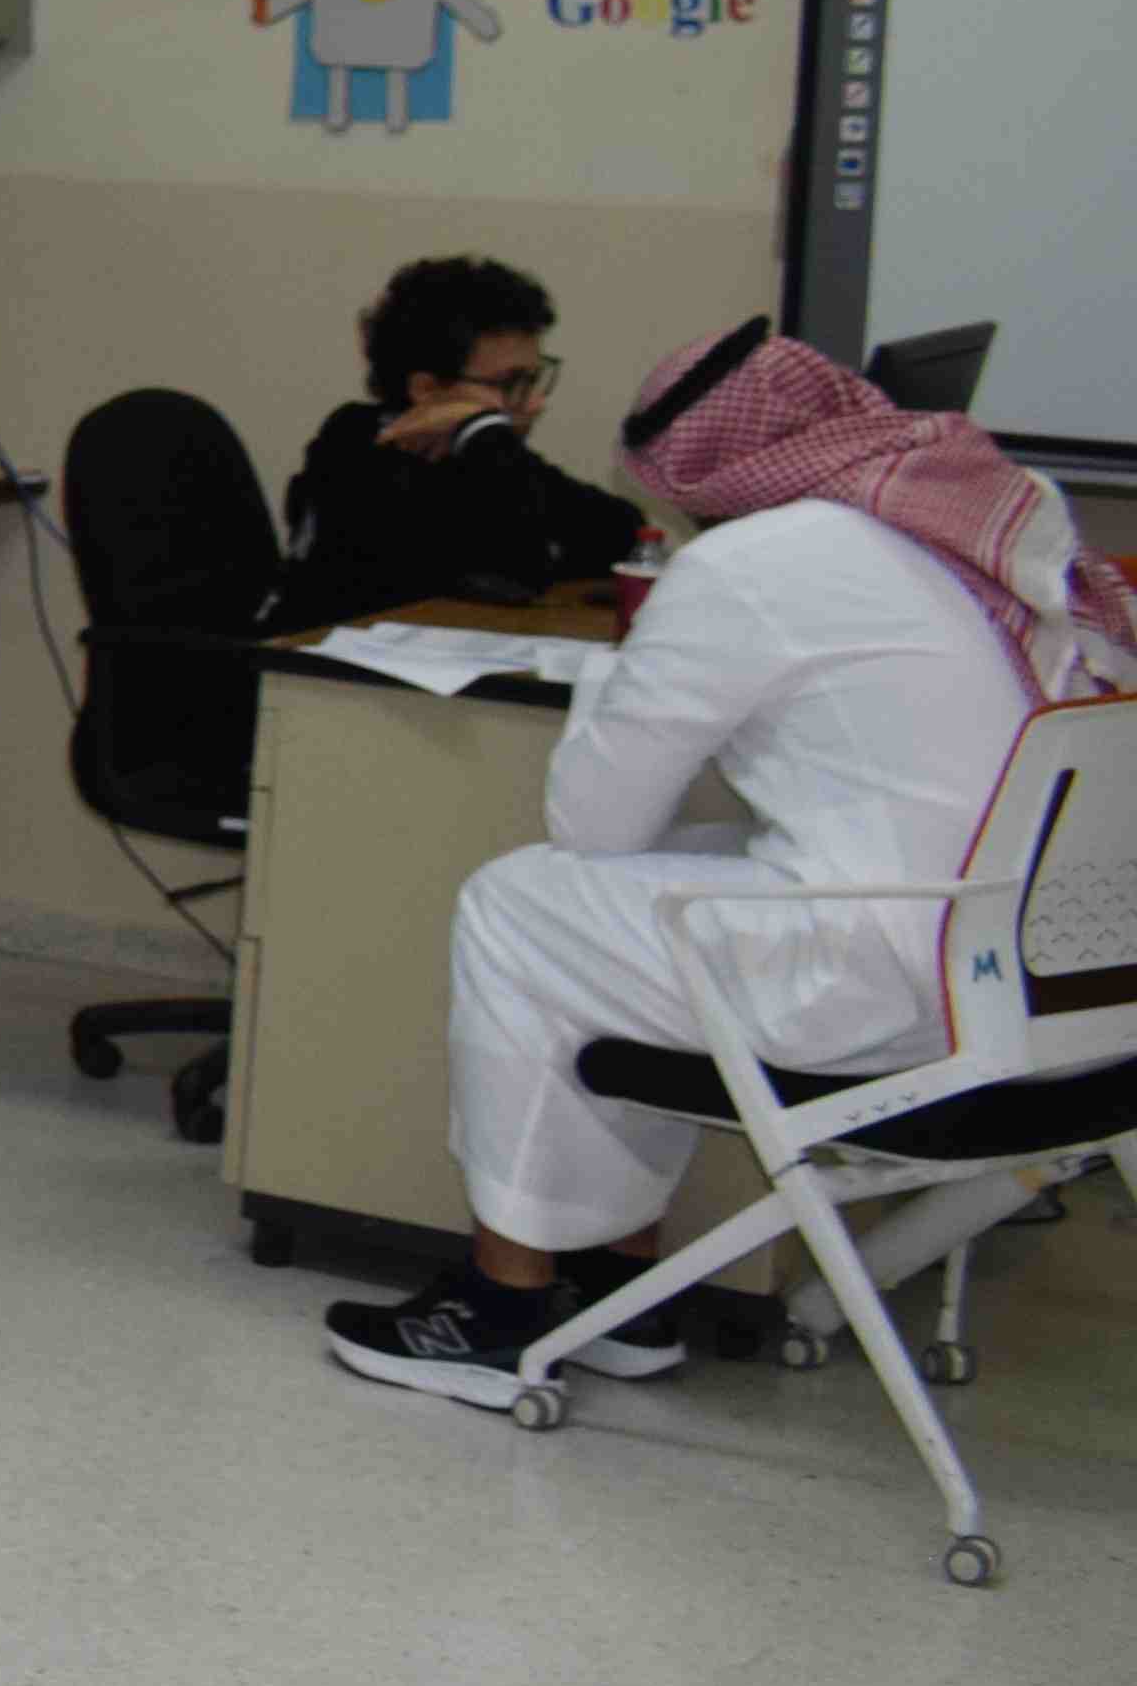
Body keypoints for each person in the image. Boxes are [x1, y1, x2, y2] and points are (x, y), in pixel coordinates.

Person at [325, 320, 1136, 1401]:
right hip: (1064, 994)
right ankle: (625, 1297)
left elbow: (590, 823)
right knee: (658, 886)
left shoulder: (751, 563)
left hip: (911, 990)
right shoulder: (955, 525)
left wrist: (629, 668)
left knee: (519, 902)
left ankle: (498, 1309)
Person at [267, 253, 647, 629]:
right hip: (313, 663)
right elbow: (517, 570)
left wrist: (483, 433)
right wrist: (484, 432)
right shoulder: (358, 446)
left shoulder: (486, 452)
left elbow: (628, 537)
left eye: (534, 379)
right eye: (511, 383)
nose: (535, 402)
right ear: (427, 390)